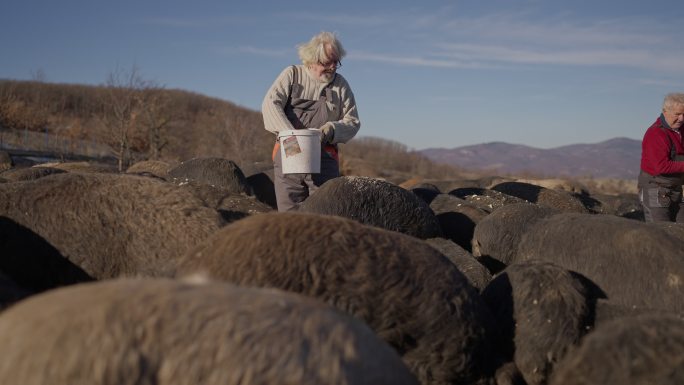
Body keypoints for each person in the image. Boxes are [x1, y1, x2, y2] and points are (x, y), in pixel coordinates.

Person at [262, 31, 360, 212]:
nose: (332, 67)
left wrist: (330, 130)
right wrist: (292, 139)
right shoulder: (292, 75)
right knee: (289, 215)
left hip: (324, 157)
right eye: (326, 63)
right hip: (289, 152)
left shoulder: (341, 85)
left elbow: (353, 121)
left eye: (336, 62)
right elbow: (270, 104)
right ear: (310, 60)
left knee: (326, 214)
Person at [638, 93, 684, 222]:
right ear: (665, 111)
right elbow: (661, 166)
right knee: (661, 232)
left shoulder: (681, 130)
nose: (681, 119)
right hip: (655, 189)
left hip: (677, 189)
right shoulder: (656, 134)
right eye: (677, 114)